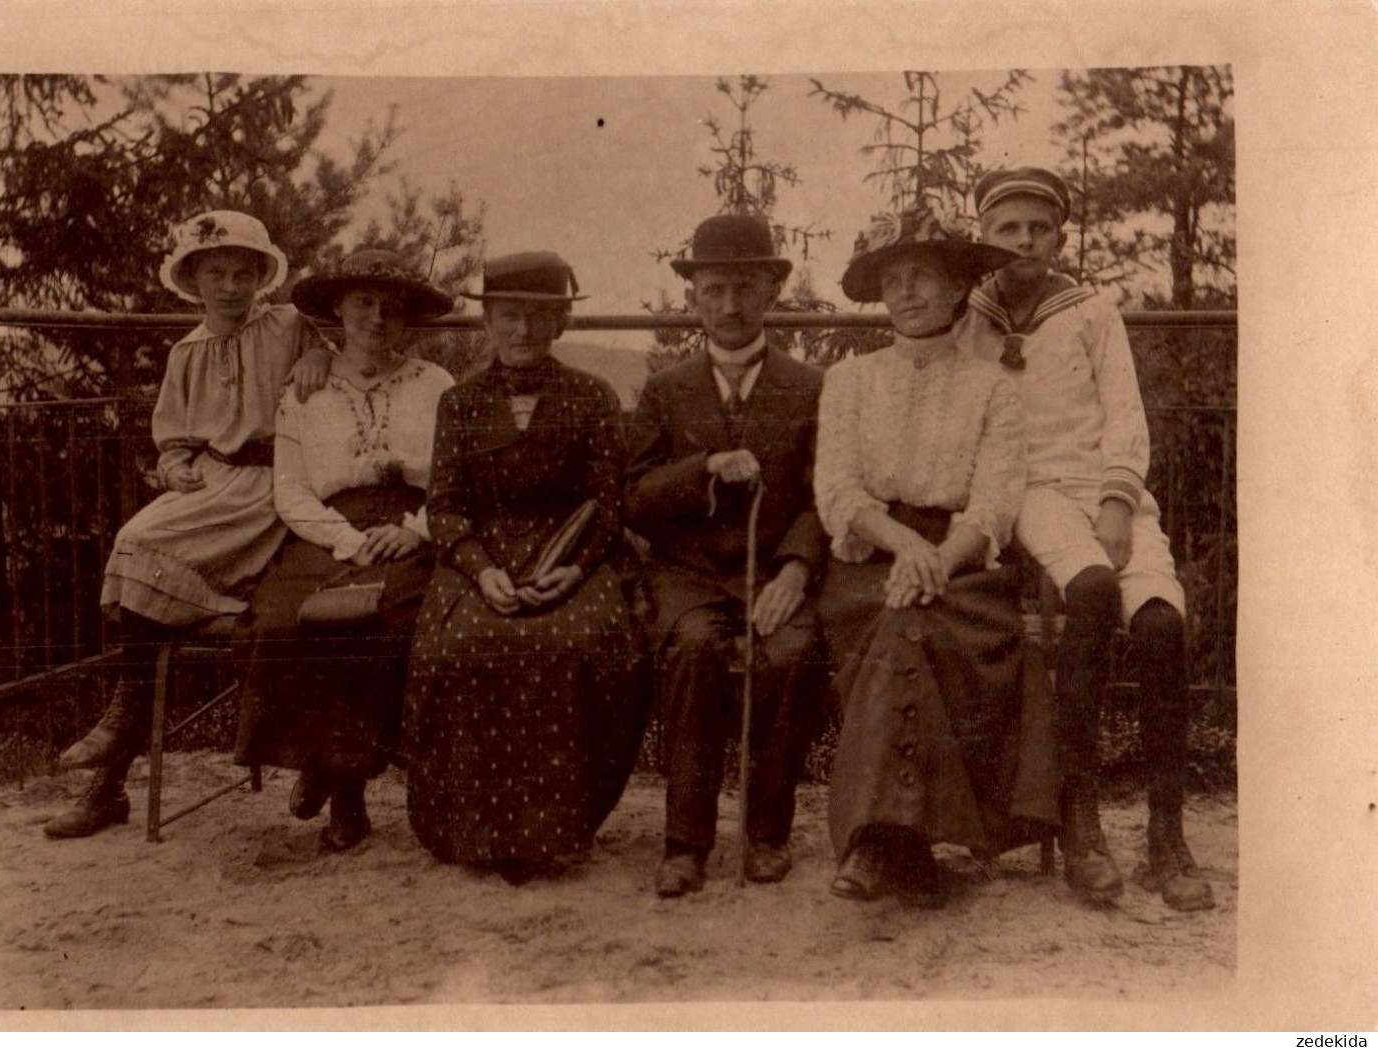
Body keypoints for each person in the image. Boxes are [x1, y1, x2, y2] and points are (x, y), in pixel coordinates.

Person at [958, 167, 1214, 911]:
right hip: (1029, 493)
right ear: (983, 236)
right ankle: (1081, 821)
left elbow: (1125, 418)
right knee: (1092, 589)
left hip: (1108, 490)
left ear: (1059, 236)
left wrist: (1114, 501)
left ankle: (1165, 835)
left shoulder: (1091, 311)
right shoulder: (969, 320)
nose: (1024, 241)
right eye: (1007, 228)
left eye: (1038, 227)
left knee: (1163, 625)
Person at [45, 210, 329, 839]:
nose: (230, 288)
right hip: (217, 484)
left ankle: (115, 754)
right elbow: (173, 439)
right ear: (194, 281)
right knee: (137, 541)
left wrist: (317, 358)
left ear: (260, 278)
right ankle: (116, 758)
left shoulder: (287, 325)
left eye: (242, 274)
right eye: (216, 275)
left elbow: (335, 348)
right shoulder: (187, 352)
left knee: (148, 549)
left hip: (280, 482)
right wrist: (174, 469)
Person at [816, 201, 1059, 908]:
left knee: (916, 624)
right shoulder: (849, 382)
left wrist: (935, 558)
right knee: (896, 621)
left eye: (923, 277)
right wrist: (903, 548)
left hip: (961, 565)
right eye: (893, 280)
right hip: (868, 557)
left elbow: (992, 502)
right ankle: (915, 841)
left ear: (957, 288)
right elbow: (837, 490)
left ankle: (880, 841)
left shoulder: (993, 387)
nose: (907, 293)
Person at [401, 251, 642, 885]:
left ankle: (559, 830)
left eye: (540, 318)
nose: (524, 332)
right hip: (481, 555)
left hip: (571, 555)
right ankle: (474, 831)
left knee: (578, 642)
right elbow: (446, 507)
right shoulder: (460, 403)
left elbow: (609, 505)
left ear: (561, 323)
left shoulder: (592, 397)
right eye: (509, 317)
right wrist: (480, 572)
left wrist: (577, 569)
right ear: (487, 322)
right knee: (463, 643)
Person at [626, 215, 828, 898]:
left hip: (776, 572)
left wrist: (797, 569)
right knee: (692, 652)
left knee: (793, 656)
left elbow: (825, 494)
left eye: (744, 288)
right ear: (693, 299)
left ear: (771, 292)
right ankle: (686, 842)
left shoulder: (810, 387)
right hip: (690, 576)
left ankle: (767, 832)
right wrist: (704, 468)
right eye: (713, 290)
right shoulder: (664, 389)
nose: (730, 306)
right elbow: (633, 497)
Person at [232, 250, 455, 851]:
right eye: (363, 302)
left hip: (408, 527)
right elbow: (290, 489)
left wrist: (419, 528)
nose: (377, 318)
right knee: (283, 622)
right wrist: (346, 539)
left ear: (409, 318)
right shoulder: (305, 387)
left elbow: (455, 478)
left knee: (384, 624)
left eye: (392, 307)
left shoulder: (435, 385)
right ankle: (335, 777)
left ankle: (339, 783)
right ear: (338, 309)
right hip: (326, 530)